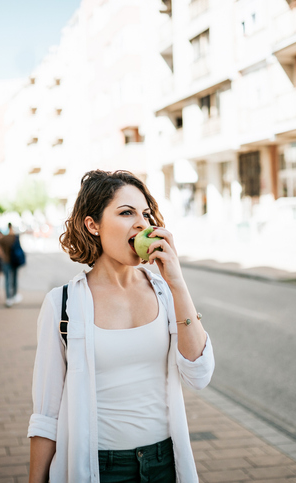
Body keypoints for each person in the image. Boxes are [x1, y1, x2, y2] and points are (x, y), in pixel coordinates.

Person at [27, 170, 215, 482]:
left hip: (164, 463)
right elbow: (47, 414)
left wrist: (178, 283)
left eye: (146, 214)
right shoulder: (62, 304)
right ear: (93, 225)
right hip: (99, 467)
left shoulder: (165, 292)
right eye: (126, 213)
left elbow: (199, 374)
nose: (142, 223)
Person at [0, 222, 23, 308]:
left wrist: (3, 256)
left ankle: (8, 298)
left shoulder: (4, 238)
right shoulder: (15, 237)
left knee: (7, 279)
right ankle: (14, 295)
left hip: (6, 261)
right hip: (15, 260)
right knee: (15, 278)